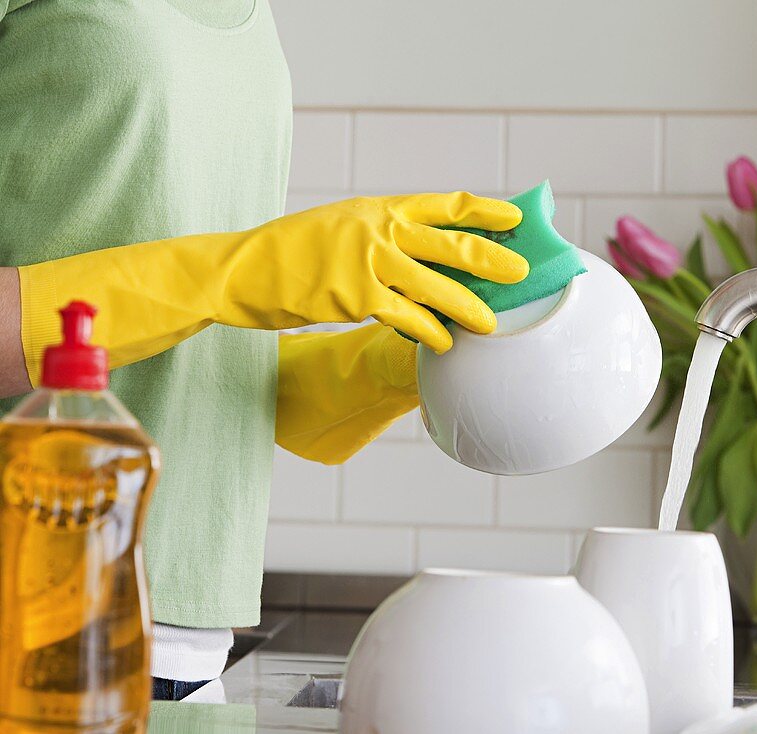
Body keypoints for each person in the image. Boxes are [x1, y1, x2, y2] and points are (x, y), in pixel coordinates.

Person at [0, 0, 527, 701]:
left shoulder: (252, 17)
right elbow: (214, 287)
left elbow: (204, 374)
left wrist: (400, 363)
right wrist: (240, 272)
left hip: (185, 654)